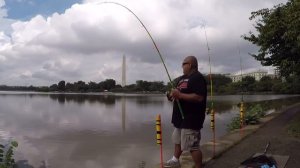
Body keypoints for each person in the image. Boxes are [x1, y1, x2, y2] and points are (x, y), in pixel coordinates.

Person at [164, 56, 207, 168]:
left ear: (191, 65)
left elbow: (199, 97)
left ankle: (199, 166)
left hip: (191, 118)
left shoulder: (198, 78)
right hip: (180, 118)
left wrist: (180, 95)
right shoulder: (182, 78)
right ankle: (175, 160)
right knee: (177, 140)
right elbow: (178, 92)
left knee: (192, 146)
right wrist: (171, 96)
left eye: (184, 63)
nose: (182, 66)